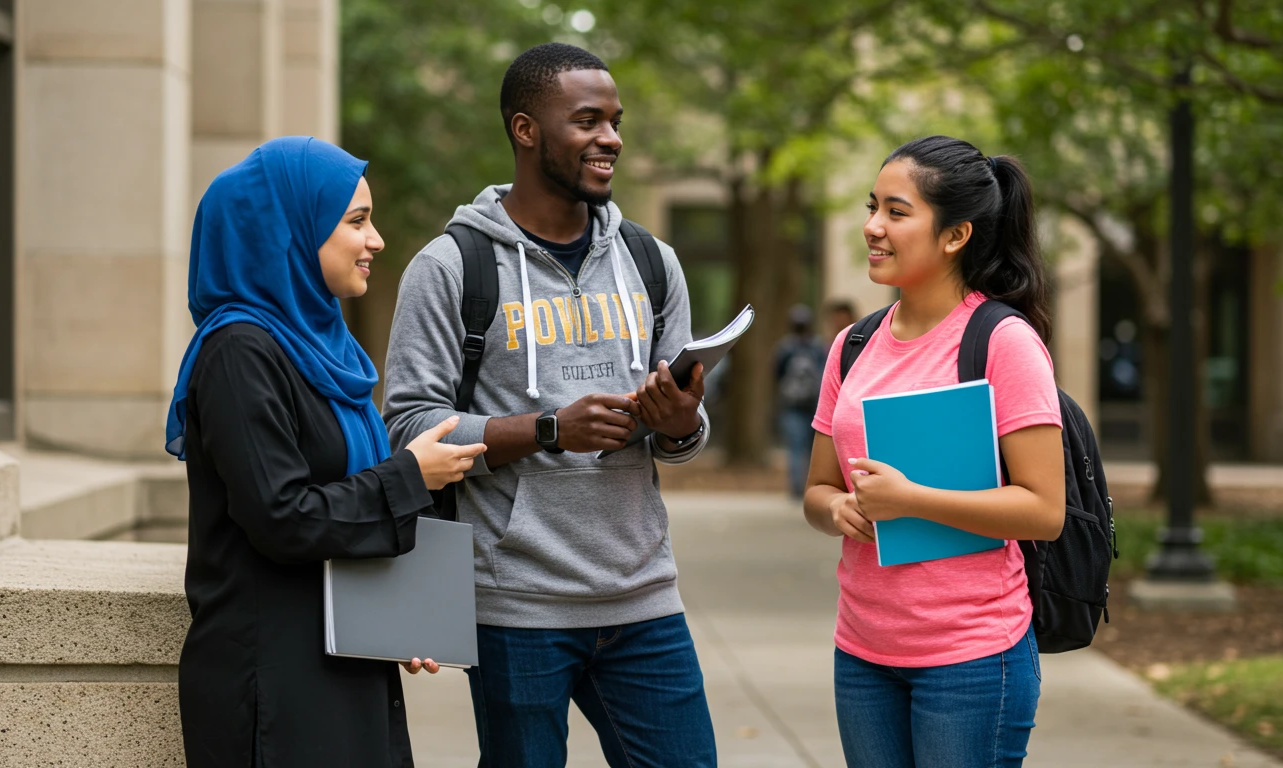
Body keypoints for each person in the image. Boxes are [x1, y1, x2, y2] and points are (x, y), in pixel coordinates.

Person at [383, 43, 717, 768]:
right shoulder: (450, 267)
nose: (612, 139)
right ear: (526, 130)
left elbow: (685, 435)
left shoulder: (652, 262)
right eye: (588, 121)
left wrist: (680, 422)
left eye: (616, 122)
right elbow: (408, 427)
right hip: (516, 602)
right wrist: (547, 430)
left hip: (644, 595)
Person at [168, 136, 486, 768]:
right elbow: (282, 516)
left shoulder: (321, 348)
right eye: (356, 221)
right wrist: (409, 475)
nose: (377, 241)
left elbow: (333, 503)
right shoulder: (239, 352)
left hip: (341, 662)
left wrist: (397, 614)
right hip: (276, 683)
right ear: (288, 229)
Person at [802, 135, 1066, 767]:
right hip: (863, 653)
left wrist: (911, 500)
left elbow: (1043, 509)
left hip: (971, 657)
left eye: (896, 212)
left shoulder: (1002, 340)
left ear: (955, 235)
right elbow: (817, 490)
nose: (872, 227)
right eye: (873, 207)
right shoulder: (851, 346)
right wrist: (836, 509)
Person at [773, 303, 826, 498]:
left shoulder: (785, 348)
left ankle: (796, 489)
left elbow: (778, 374)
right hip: (814, 405)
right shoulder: (817, 346)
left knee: (795, 448)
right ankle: (812, 488)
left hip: (792, 406)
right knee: (812, 451)